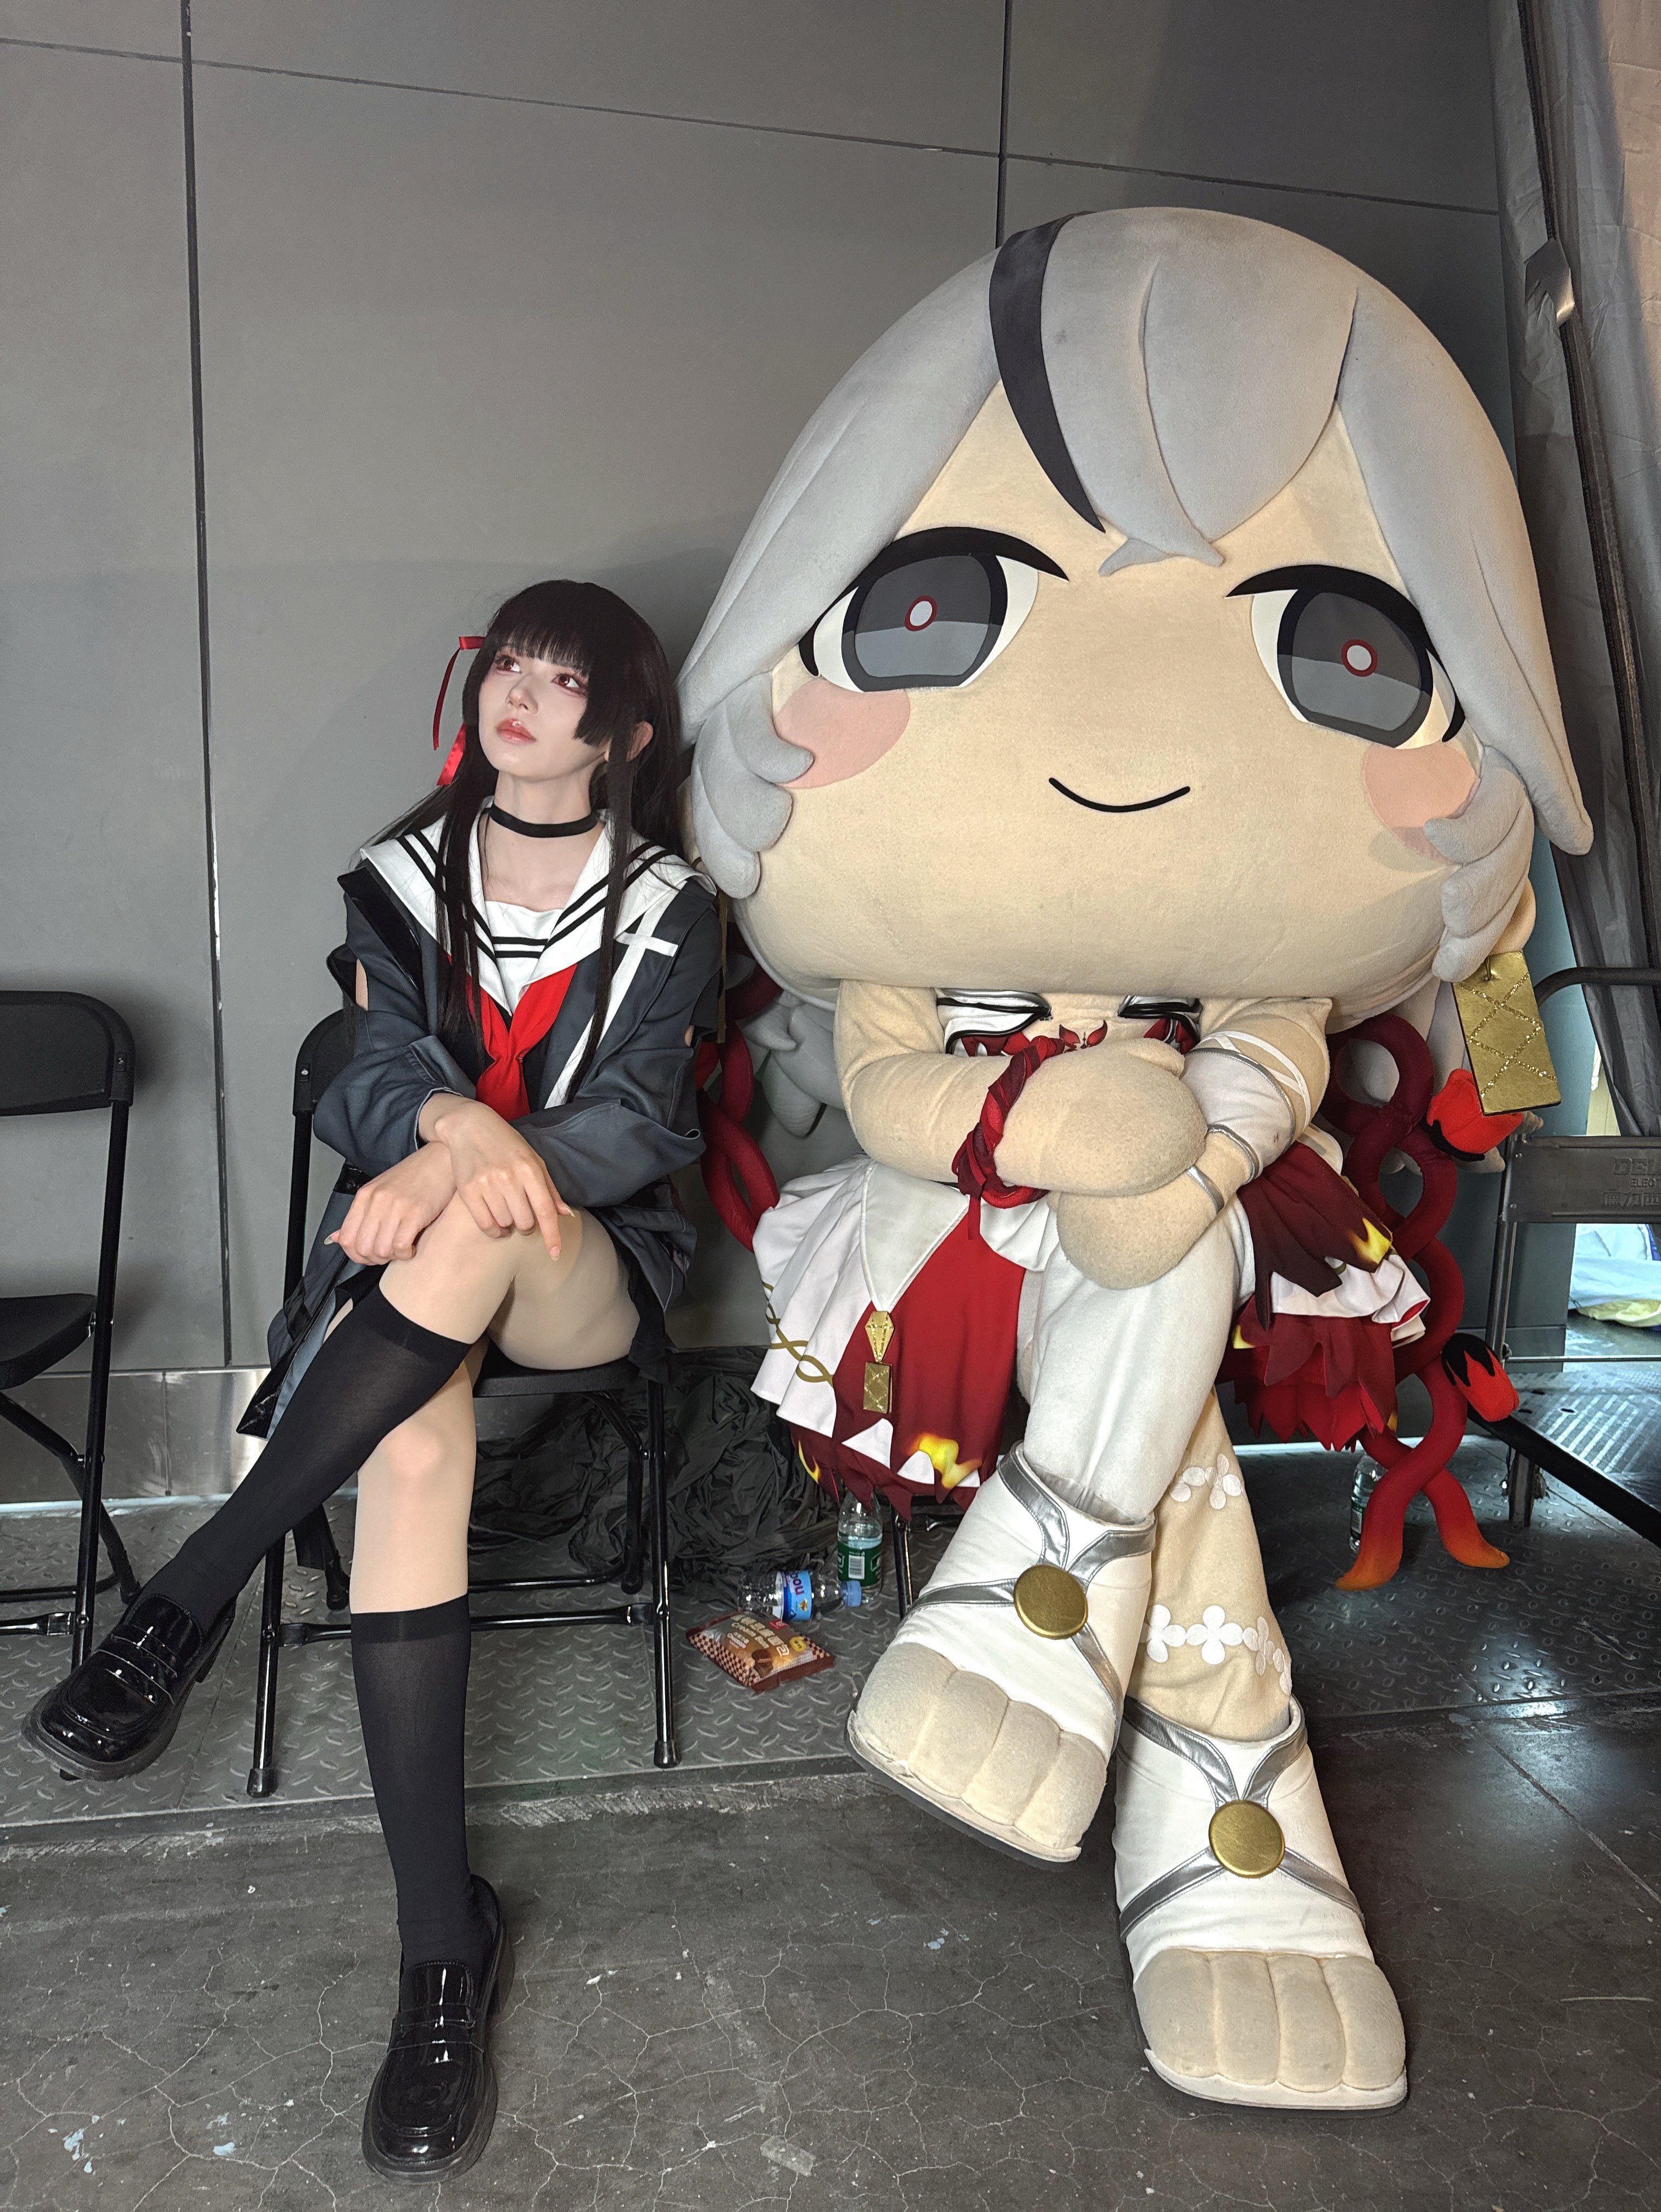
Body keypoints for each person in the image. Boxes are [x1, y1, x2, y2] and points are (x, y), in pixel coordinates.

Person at [680, 209, 1590, 2111]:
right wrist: (1042, 1122)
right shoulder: (916, 953)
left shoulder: (1246, 987)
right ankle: (1228, 1794)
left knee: (1164, 1238)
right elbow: (887, 1073)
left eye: (1344, 651)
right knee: (1161, 1273)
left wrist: (1185, 1149)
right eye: (936, 606)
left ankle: (1052, 1595)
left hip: (1200, 1195)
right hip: (958, 1214)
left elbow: (1275, 1040)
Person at [26, 580, 720, 2180]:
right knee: (411, 1451)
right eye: (508, 667)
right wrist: (450, 1126)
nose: (520, 696)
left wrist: (465, 1158)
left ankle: (190, 1590)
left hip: (586, 1269)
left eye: (564, 681)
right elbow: (360, 1065)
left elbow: (638, 1122)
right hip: (420, 1278)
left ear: (625, 734)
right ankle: (438, 1951)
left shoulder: (669, 907)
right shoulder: (403, 877)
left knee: (479, 1230)